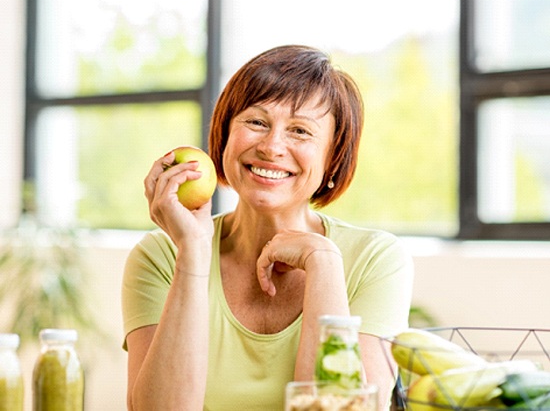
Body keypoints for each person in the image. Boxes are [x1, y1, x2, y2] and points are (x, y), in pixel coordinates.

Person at [122, 45, 414, 411]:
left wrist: (322, 262)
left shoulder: (375, 259)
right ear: (225, 134)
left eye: (300, 131)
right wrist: (193, 253)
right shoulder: (161, 256)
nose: (272, 146)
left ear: (332, 157)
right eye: (256, 122)